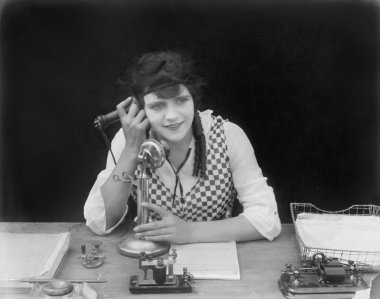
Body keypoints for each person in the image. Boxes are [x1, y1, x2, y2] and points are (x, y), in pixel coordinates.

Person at [84, 51, 281, 244]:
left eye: (180, 101)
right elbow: (101, 222)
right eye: (157, 106)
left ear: (194, 99)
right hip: (152, 258)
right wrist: (131, 150)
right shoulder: (130, 140)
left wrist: (190, 232)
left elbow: (267, 219)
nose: (172, 116)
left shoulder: (229, 136)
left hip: (215, 258)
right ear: (140, 108)